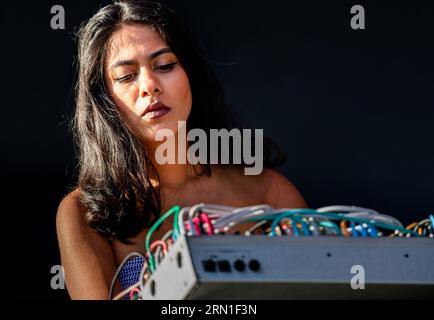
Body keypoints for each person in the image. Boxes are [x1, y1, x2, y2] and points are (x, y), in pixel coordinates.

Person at [56, 0, 307, 300]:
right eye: (126, 76)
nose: (149, 85)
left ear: (191, 76)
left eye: (165, 66)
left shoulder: (269, 194)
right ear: (105, 101)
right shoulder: (85, 214)